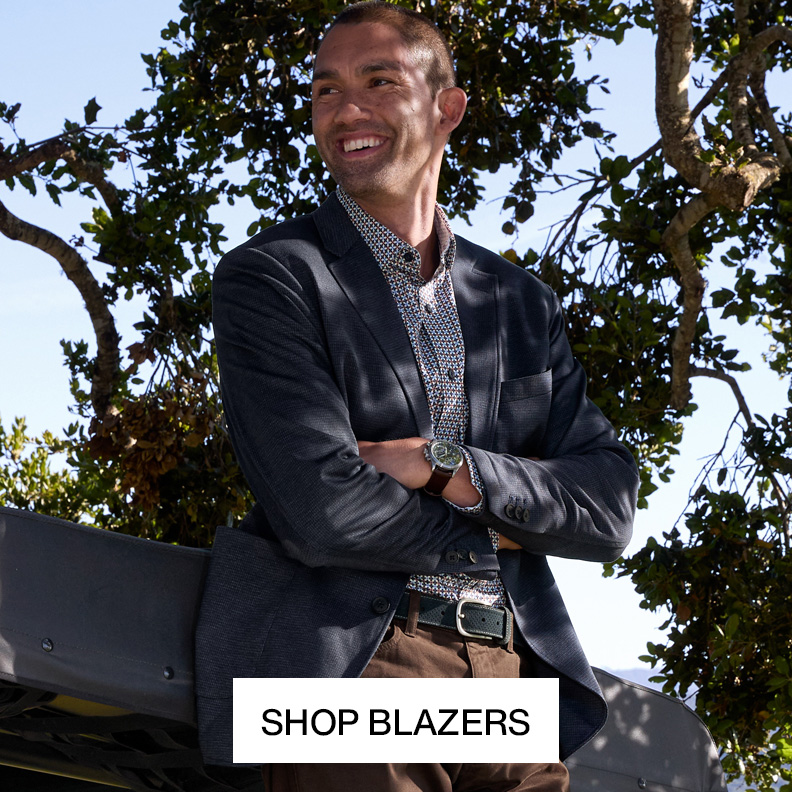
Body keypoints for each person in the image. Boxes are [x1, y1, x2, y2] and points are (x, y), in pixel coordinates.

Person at [195, 2, 639, 790]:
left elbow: (607, 510)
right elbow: (322, 511)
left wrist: (442, 465)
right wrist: (500, 528)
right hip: (350, 671)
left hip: (510, 683)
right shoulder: (272, 277)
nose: (347, 109)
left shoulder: (520, 303)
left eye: (378, 81)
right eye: (326, 90)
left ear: (448, 108)